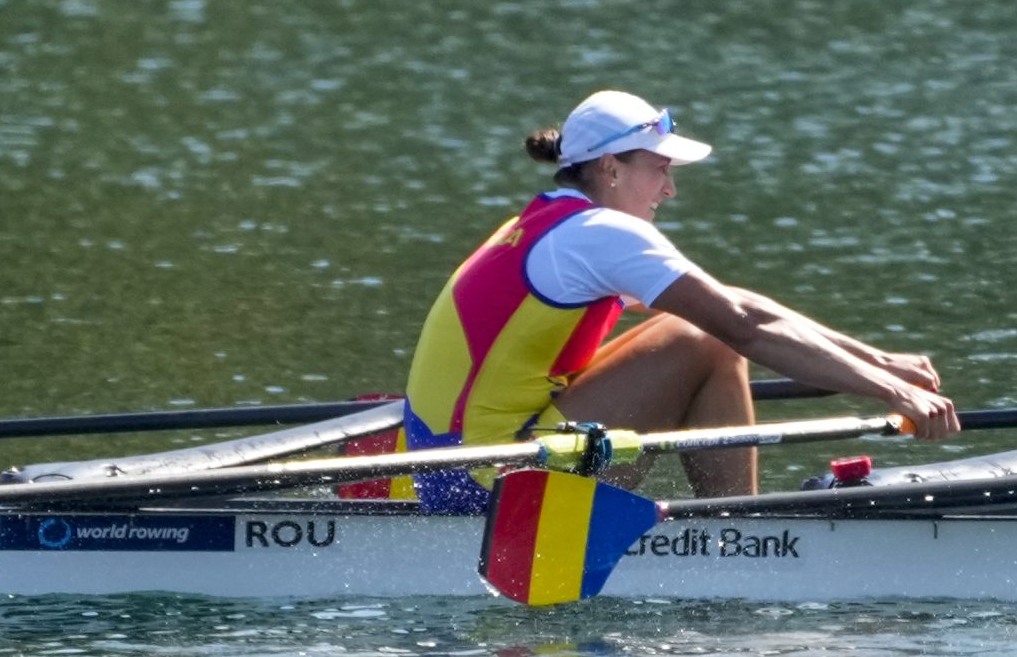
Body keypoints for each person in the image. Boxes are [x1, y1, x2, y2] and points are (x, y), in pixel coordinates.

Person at [404, 90, 960, 512]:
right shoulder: (600, 234)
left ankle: (732, 524)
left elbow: (736, 302)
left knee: (701, 330)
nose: (669, 189)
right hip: (488, 483)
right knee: (705, 338)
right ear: (611, 168)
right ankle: (739, 537)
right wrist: (894, 394)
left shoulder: (546, 222)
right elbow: (741, 324)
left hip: (454, 469)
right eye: (660, 169)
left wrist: (880, 362)